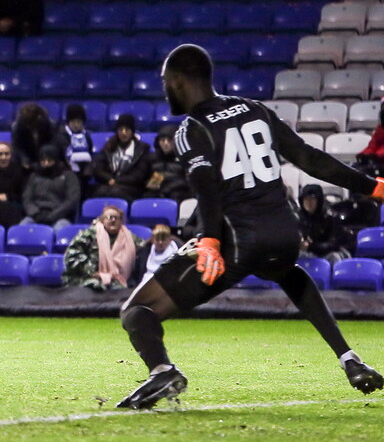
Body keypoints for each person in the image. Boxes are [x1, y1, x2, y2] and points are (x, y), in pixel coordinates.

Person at [116, 44, 384, 410]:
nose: (165, 90)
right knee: (287, 271)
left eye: (166, 82)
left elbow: (207, 188)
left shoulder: (191, 128)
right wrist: (374, 187)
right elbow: (309, 157)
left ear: (178, 81)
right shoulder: (256, 109)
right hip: (286, 233)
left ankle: (162, 370)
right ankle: (349, 358)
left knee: (136, 310)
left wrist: (210, 240)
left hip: (238, 240)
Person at [63, 205, 145, 290]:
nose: (113, 220)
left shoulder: (130, 239)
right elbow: (72, 256)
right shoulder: (88, 235)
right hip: (85, 279)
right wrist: (91, 272)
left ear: (121, 221)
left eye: (117, 218)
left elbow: (145, 249)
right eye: (109, 217)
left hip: (118, 283)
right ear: (102, 220)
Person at [91, 113, 150, 202]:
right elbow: (98, 168)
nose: (124, 133)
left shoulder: (142, 149)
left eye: (127, 129)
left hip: (131, 187)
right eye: (121, 129)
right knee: (97, 192)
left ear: (132, 131)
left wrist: (117, 181)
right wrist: (109, 179)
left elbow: (139, 175)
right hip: (109, 184)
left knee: (116, 192)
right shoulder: (109, 147)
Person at [21, 144, 81, 230]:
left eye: (49, 161)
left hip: (60, 217)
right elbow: (27, 198)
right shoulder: (34, 176)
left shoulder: (69, 176)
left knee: (60, 230)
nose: (46, 164)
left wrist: (52, 216)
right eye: (43, 161)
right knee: (22, 228)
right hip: (36, 216)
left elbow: (72, 200)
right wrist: (35, 213)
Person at [298, 184, 351, 263]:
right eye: (306, 199)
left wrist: (311, 246)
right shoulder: (299, 217)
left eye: (312, 199)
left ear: (319, 200)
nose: (308, 202)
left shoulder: (331, 216)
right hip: (309, 252)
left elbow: (334, 244)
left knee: (334, 257)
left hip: (329, 253)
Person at [143, 124, 192, 202]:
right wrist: (150, 184)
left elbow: (189, 181)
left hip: (178, 192)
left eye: (169, 140)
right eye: (162, 140)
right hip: (156, 192)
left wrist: (169, 187)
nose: (165, 143)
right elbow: (142, 178)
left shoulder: (185, 158)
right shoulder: (151, 158)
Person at [11, 102, 61, 171]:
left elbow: (54, 144)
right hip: (26, 161)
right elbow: (17, 147)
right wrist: (24, 159)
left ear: (38, 118)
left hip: (47, 158)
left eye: (30, 124)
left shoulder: (50, 125)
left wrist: (45, 158)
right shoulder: (17, 127)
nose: (28, 127)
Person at [60, 103, 94, 180]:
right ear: (68, 122)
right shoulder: (61, 136)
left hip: (84, 173)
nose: (76, 125)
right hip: (66, 172)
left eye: (78, 122)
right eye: (73, 122)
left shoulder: (86, 136)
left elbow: (90, 154)